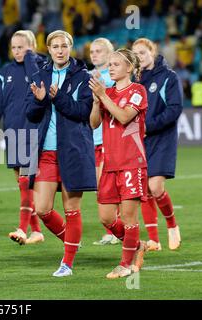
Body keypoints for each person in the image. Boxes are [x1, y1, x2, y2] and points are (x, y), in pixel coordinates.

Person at [26, 30, 96, 277]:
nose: (59, 50)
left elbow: (82, 112)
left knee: (71, 209)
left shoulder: (82, 76)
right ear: (48, 49)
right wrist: (39, 101)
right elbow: (31, 114)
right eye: (55, 46)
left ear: (71, 47)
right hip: (46, 152)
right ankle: (72, 242)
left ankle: (67, 262)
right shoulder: (40, 75)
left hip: (73, 150)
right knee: (42, 208)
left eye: (64, 46)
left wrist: (57, 98)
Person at [0, 30, 45, 245]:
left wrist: (30, 59)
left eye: (22, 47)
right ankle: (36, 231)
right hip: (13, 133)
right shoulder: (6, 72)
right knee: (23, 185)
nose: (17, 51)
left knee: (26, 182)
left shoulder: (41, 67)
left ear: (32, 46)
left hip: (33, 132)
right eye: (14, 47)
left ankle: (22, 229)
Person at [89, 48, 148, 279]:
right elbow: (94, 124)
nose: (110, 68)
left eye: (115, 64)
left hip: (132, 162)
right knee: (106, 217)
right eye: (110, 64)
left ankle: (125, 264)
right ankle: (137, 245)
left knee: (129, 216)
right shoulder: (108, 92)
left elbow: (124, 116)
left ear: (129, 68)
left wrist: (103, 96)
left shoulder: (138, 91)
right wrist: (96, 102)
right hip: (109, 163)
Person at [133, 38, 183, 251]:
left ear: (152, 52)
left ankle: (172, 225)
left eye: (143, 53)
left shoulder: (168, 77)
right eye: (135, 55)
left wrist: (148, 126)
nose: (140, 58)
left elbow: (174, 109)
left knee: (155, 186)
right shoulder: (134, 80)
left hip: (162, 138)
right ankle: (154, 240)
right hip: (140, 140)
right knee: (143, 189)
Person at [88, 38, 121, 246]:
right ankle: (113, 229)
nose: (94, 54)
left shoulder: (115, 77)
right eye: (92, 51)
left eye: (99, 51)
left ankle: (114, 230)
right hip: (91, 139)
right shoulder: (88, 76)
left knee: (106, 187)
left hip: (109, 140)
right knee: (99, 187)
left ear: (110, 54)